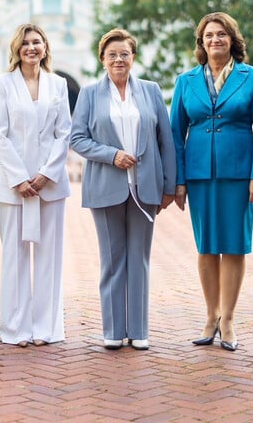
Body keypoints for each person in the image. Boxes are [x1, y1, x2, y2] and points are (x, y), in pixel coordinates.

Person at [170, 12, 253, 352]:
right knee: (206, 246)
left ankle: (228, 318)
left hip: (240, 176)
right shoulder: (186, 81)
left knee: (234, 245)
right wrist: (179, 180)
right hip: (199, 175)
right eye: (209, 35)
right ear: (201, 42)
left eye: (221, 34)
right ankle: (210, 316)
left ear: (232, 40)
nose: (215, 40)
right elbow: (175, 134)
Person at [71, 28, 176, 350]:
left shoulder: (150, 91)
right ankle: (114, 331)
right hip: (106, 187)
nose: (119, 59)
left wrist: (170, 186)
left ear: (133, 58)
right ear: (103, 59)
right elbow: (77, 139)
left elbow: (165, 142)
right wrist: (112, 155)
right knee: (113, 260)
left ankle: (139, 330)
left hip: (146, 188)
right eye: (112, 54)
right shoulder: (89, 94)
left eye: (125, 54)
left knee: (139, 260)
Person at [0, 24, 72, 347]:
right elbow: (0, 132)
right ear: (16, 49)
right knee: (15, 255)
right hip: (13, 185)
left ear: (45, 47)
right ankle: (16, 328)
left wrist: (46, 173)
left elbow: (64, 132)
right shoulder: (2, 84)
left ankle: (46, 328)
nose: (31, 48)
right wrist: (20, 178)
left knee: (49, 257)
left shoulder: (59, 84)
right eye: (25, 43)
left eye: (37, 42)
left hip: (50, 184)